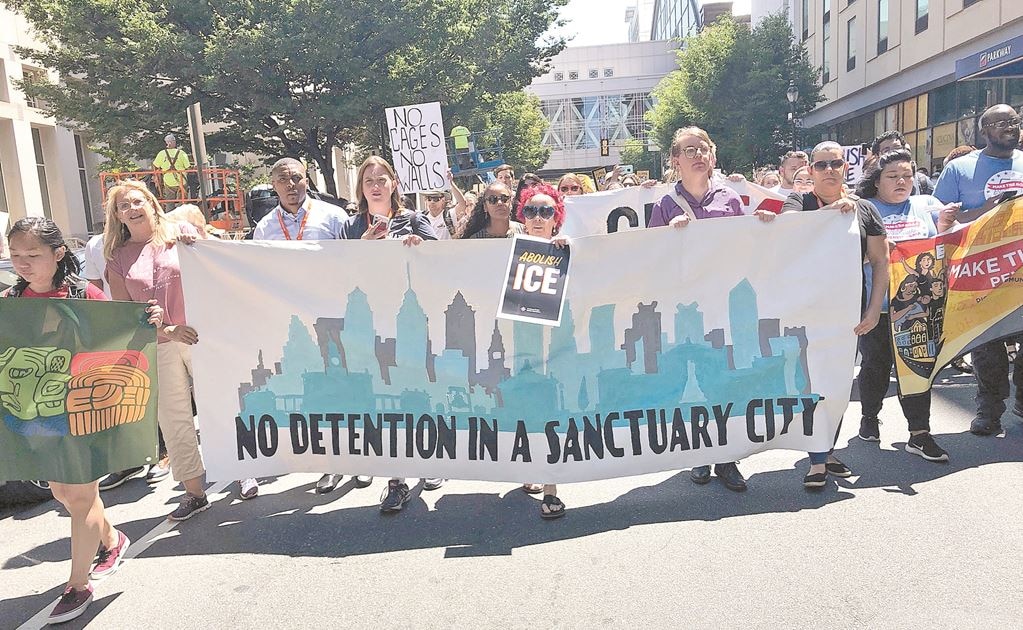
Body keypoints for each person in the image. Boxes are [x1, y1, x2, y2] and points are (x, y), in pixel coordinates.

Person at [4, 217, 159, 624]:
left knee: (79, 494)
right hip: (37, 414)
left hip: (85, 410)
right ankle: (112, 539)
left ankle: (77, 585)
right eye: (15, 254)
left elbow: (119, 335)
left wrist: (151, 322)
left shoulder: (85, 294)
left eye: (32, 254)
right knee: (64, 493)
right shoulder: (9, 302)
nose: (22, 262)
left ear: (57, 254)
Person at [648, 126, 776, 492]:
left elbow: (745, 246)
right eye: (689, 150)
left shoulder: (730, 199)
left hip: (724, 301)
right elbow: (651, 257)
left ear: (713, 156)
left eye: (703, 149)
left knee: (724, 377)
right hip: (687, 305)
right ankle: (700, 452)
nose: (697, 155)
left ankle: (727, 456)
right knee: (696, 379)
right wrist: (668, 233)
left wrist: (762, 225)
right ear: (675, 161)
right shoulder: (664, 204)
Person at [781, 141, 889, 487]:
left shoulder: (866, 210)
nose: (829, 170)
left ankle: (825, 451)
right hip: (804, 312)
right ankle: (817, 457)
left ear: (846, 169)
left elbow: (881, 262)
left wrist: (873, 309)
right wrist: (831, 213)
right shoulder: (799, 202)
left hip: (848, 313)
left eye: (836, 164)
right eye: (822, 164)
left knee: (838, 382)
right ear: (810, 171)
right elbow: (787, 230)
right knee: (811, 381)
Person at [103, 181, 211, 519]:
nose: (132, 209)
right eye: (124, 206)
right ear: (117, 216)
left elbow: (219, 272)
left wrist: (201, 244)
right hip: (158, 346)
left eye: (138, 201)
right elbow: (125, 314)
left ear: (151, 203)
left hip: (200, 337)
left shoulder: (182, 234)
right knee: (174, 419)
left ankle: (244, 473)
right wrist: (167, 329)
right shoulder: (117, 258)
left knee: (222, 406)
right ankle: (194, 492)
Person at [339, 156, 441, 511]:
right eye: (369, 181)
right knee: (385, 401)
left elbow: (446, 261)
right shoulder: (351, 227)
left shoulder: (413, 219)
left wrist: (420, 248)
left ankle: (431, 461)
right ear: (361, 188)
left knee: (417, 392)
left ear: (394, 184)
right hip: (373, 325)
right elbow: (340, 275)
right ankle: (395, 480)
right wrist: (364, 246)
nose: (376, 185)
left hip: (411, 323)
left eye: (382, 179)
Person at [853, 148, 959, 462]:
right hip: (880, 307)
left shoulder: (927, 205)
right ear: (876, 182)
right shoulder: (864, 209)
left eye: (907, 176)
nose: (902, 181)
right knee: (875, 366)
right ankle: (869, 417)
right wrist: (877, 252)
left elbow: (946, 247)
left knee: (918, 371)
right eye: (893, 176)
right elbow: (846, 256)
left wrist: (946, 227)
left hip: (922, 310)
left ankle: (919, 433)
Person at [253, 157, 348, 495]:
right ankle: (329, 463)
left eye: (296, 177)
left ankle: (359, 460)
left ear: (307, 178)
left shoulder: (334, 217)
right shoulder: (264, 229)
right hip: (293, 323)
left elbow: (356, 262)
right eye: (283, 179)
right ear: (273, 184)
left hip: (334, 318)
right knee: (313, 393)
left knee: (343, 388)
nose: (291, 185)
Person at [933, 104, 1023, 435]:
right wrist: (986, 211)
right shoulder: (959, 169)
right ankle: (989, 409)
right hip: (980, 274)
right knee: (987, 345)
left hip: (1020, 270)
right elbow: (939, 220)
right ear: (983, 131)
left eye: (1014, 122)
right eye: (1000, 123)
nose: (1009, 128)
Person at [514, 182, 569, 519]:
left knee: (551, 412)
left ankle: (551, 488)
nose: (537, 217)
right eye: (531, 210)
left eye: (545, 211)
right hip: (520, 347)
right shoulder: (508, 249)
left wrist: (569, 251)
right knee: (526, 410)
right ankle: (529, 468)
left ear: (555, 218)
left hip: (556, 349)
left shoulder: (566, 250)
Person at [459, 181, 524, 239]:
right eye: (492, 199)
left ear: (511, 202)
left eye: (504, 198)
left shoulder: (525, 232)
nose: (499, 203)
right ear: (485, 207)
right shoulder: (476, 240)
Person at [152, 134, 191, 203]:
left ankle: (169, 212)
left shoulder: (162, 153)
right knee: (182, 201)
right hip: (181, 180)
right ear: (174, 142)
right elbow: (188, 167)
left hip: (168, 180)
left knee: (170, 202)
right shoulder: (181, 153)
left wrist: (157, 175)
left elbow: (155, 166)